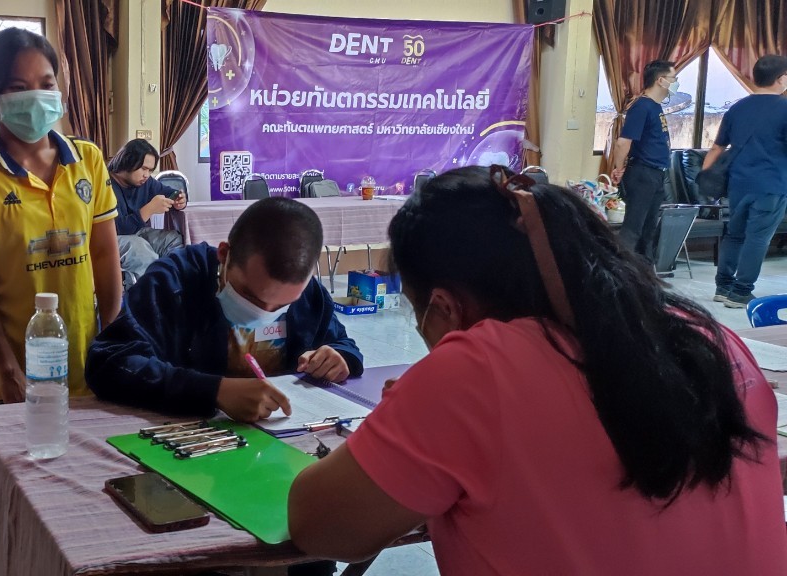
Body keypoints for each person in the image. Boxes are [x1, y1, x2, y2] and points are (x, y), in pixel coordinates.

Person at [288, 166, 787, 574]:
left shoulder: (475, 372)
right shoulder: (710, 340)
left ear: (443, 307)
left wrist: (411, 416)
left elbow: (320, 527)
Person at [0, 28, 122, 406]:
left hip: (82, 362)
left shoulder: (88, 159)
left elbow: (104, 254)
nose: (36, 96)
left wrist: (113, 340)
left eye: (46, 84)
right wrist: (7, 369)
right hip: (5, 372)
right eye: (19, 87)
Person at [88, 197, 362, 423]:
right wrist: (213, 391)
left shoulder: (308, 294)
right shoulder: (175, 280)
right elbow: (109, 363)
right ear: (224, 254)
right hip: (194, 438)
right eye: (249, 295)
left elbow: (342, 343)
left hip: (280, 435)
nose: (263, 313)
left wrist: (339, 357)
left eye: (282, 305)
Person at [704, 55, 787, 309]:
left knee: (734, 235)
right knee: (758, 239)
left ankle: (723, 287)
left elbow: (717, 148)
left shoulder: (737, 108)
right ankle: (741, 293)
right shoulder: (785, 108)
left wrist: (705, 178)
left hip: (738, 184)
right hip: (771, 185)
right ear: (781, 78)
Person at [609, 59, 675, 262]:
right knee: (633, 228)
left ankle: (645, 271)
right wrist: (619, 168)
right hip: (642, 173)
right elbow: (623, 142)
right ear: (661, 80)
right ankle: (620, 268)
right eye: (673, 78)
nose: (675, 82)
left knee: (648, 229)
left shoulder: (655, 106)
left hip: (656, 173)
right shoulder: (641, 106)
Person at [107, 138, 186, 282]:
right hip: (110, 237)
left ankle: (171, 282)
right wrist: (149, 210)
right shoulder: (104, 184)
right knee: (140, 248)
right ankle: (147, 290)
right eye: (143, 168)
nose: (147, 175)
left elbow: (169, 192)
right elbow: (116, 229)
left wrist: (179, 200)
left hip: (136, 232)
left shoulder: (146, 182)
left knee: (174, 239)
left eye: (150, 170)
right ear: (127, 161)